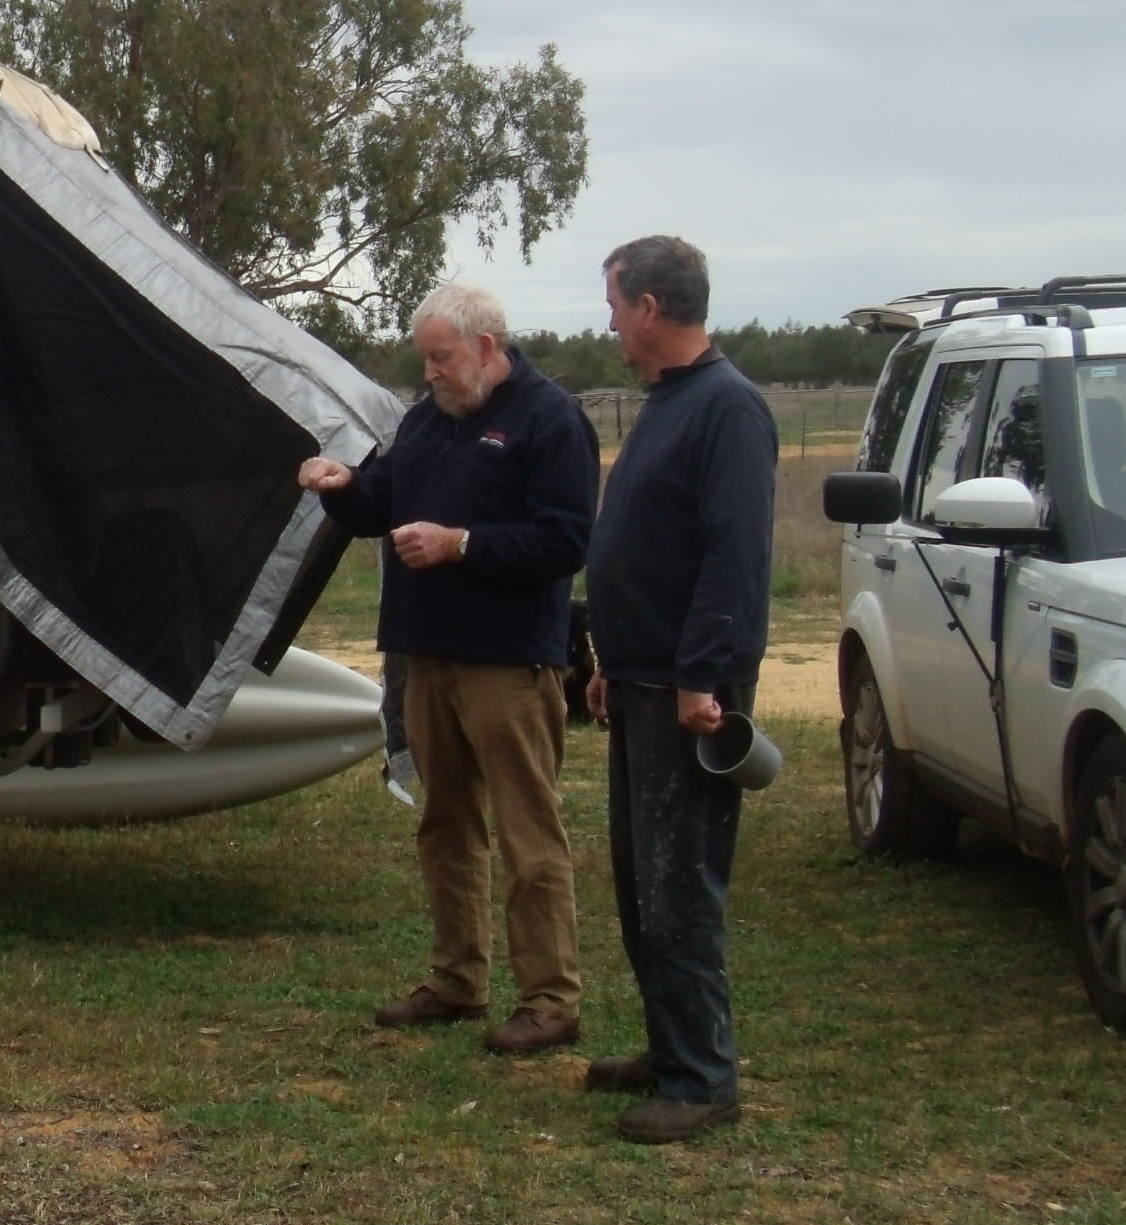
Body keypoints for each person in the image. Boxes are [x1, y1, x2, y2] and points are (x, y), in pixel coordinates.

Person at [298, 281, 599, 1055]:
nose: (429, 372)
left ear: (488, 349)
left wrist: (461, 544)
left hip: (508, 660)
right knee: (446, 824)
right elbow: (382, 506)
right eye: (425, 359)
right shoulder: (428, 422)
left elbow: (566, 542)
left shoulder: (548, 420)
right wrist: (343, 490)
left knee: (528, 831)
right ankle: (458, 980)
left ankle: (550, 1000)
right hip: (424, 653)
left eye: (441, 357)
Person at [582, 235, 777, 1143]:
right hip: (640, 682)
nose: (611, 318)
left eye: (616, 301)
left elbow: (733, 560)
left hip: (685, 694)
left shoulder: (727, 411)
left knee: (679, 886)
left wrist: (705, 677)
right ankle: (669, 1050)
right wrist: (609, 664)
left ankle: (703, 1079)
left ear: (652, 308)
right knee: (639, 882)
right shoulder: (669, 402)